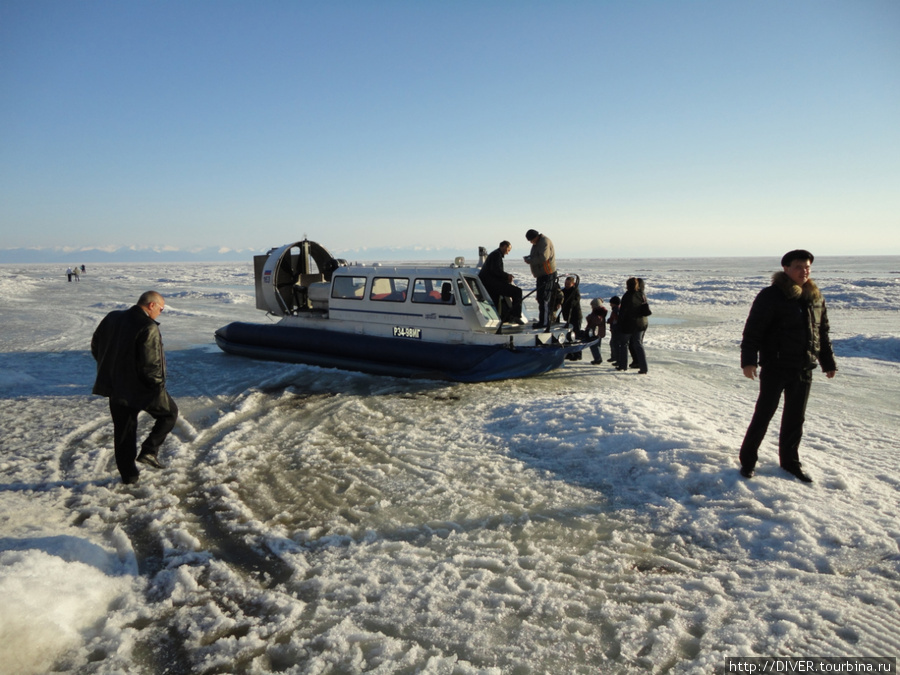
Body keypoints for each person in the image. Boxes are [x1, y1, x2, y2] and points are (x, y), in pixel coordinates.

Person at [738, 250, 837, 483]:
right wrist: (749, 361)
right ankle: (748, 460)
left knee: (795, 418)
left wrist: (827, 362)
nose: (805, 271)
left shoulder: (815, 297)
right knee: (764, 414)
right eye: (799, 267)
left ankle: (790, 463)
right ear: (785, 268)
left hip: (803, 367)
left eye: (808, 267)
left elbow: (821, 333)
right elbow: (753, 330)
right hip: (776, 365)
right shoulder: (771, 296)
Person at [91, 291, 179, 485]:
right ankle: (149, 450)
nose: (160, 313)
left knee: (124, 432)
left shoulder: (112, 317)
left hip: (116, 387)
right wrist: (157, 388)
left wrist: (111, 369)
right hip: (141, 388)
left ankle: (129, 477)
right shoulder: (148, 327)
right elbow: (151, 364)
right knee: (169, 413)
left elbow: (96, 344)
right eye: (161, 309)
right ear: (151, 305)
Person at [479, 240, 524, 323]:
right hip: (492, 284)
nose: (508, 253)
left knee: (497, 301)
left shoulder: (495, 254)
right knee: (517, 292)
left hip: (490, 283)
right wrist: (507, 276)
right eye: (508, 250)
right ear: (504, 247)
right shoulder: (496, 255)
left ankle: (505, 317)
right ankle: (516, 316)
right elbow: (496, 270)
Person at [523, 229, 557, 329]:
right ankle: (542, 321)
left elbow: (543, 257)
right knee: (540, 298)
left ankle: (545, 322)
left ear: (536, 237)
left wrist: (530, 261)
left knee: (545, 298)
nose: (530, 242)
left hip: (547, 274)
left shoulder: (544, 242)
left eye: (531, 240)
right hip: (541, 275)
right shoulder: (537, 243)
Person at [616, 277, 650, 373]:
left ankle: (623, 366)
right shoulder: (641, 294)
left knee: (623, 344)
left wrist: (619, 325)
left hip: (629, 324)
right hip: (641, 324)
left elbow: (623, 312)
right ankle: (644, 368)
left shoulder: (627, 295)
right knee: (638, 344)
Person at [585, 298, 608, 364]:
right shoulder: (599, 311)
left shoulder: (598, 311)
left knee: (594, 345)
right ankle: (598, 358)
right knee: (597, 345)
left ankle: (597, 359)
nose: (591, 307)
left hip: (595, 331)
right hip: (598, 331)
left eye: (592, 306)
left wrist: (589, 317)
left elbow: (597, 320)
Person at [607, 296, 621, 366]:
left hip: (616, 329)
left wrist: (611, 321)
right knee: (613, 343)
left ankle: (616, 358)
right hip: (615, 329)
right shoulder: (616, 309)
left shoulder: (616, 310)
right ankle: (614, 357)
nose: (610, 305)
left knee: (615, 344)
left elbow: (616, 319)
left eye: (611, 303)